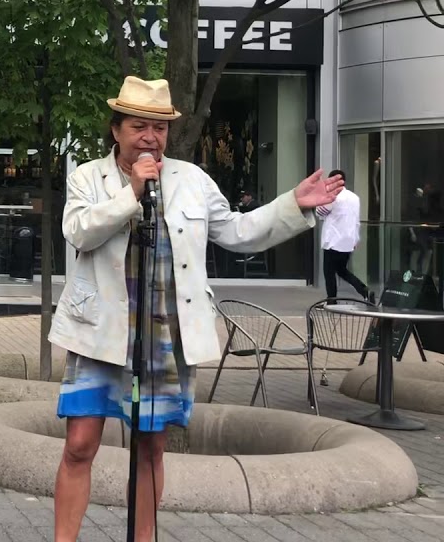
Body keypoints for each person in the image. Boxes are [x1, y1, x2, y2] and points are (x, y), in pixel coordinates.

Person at [48, 76, 341, 542]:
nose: (150, 137)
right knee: (80, 445)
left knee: (151, 448)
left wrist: (293, 205)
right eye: (140, 125)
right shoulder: (88, 176)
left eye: (160, 128)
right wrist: (132, 195)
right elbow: (80, 232)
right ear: (116, 130)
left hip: (167, 335)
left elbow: (237, 232)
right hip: (100, 330)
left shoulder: (192, 180)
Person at [316, 170, 371, 301]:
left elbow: (320, 212)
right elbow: (357, 221)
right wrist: (356, 238)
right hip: (348, 241)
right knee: (342, 270)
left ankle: (331, 300)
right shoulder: (354, 198)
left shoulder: (332, 197)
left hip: (333, 241)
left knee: (329, 272)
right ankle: (363, 290)